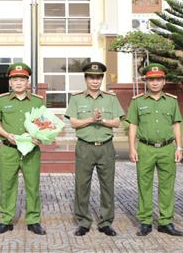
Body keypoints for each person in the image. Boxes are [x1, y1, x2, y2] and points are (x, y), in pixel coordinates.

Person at [65, 61, 125, 237]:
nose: (95, 81)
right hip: (85, 147)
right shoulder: (76, 98)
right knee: (82, 185)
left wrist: (102, 121)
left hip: (106, 147)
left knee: (107, 186)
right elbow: (74, 123)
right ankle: (83, 221)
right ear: (85, 79)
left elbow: (117, 121)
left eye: (98, 78)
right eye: (92, 77)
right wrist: (91, 119)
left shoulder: (110, 98)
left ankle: (106, 222)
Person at [126, 63, 183, 237]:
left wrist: (179, 147)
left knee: (167, 186)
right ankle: (145, 221)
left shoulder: (172, 101)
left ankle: (166, 222)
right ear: (146, 81)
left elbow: (176, 125)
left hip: (167, 148)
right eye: (151, 79)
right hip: (145, 148)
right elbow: (133, 126)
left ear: (164, 81)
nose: (155, 83)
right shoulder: (138, 102)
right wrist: (132, 148)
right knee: (144, 185)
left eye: (158, 79)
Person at [0, 62, 46, 235]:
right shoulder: (1, 100)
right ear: (10, 83)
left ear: (27, 81)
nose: (19, 82)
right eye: (15, 79)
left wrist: (40, 137)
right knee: (7, 185)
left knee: (32, 185)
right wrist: (6, 134)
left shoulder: (37, 100)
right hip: (9, 149)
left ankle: (33, 220)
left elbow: (44, 123)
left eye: (22, 79)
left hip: (31, 150)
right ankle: (6, 220)